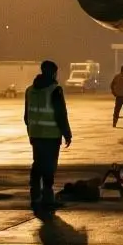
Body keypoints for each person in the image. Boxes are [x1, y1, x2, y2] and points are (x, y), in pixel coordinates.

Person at [24, 60, 73, 211]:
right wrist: (67, 133)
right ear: (53, 73)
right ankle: (48, 197)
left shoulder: (30, 90)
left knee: (37, 164)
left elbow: (26, 116)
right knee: (49, 166)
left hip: (35, 134)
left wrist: (32, 128)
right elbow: (60, 115)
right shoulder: (55, 90)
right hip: (51, 135)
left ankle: (35, 195)